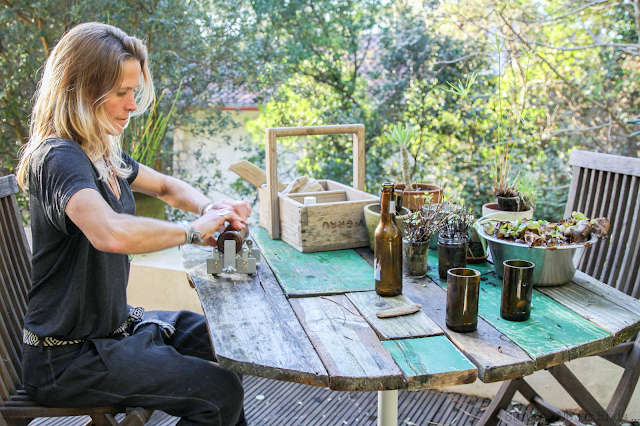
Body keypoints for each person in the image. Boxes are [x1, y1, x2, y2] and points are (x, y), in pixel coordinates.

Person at [15, 22, 250, 426]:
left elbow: (165, 186)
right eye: (121, 93)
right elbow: (110, 232)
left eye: (133, 92)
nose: (131, 106)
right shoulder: (57, 156)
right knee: (218, 392)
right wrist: (194, 231)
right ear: (82, 91)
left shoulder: (101, 151)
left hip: (114, 329)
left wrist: (211, 208)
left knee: (226, 342)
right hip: (68, 357)